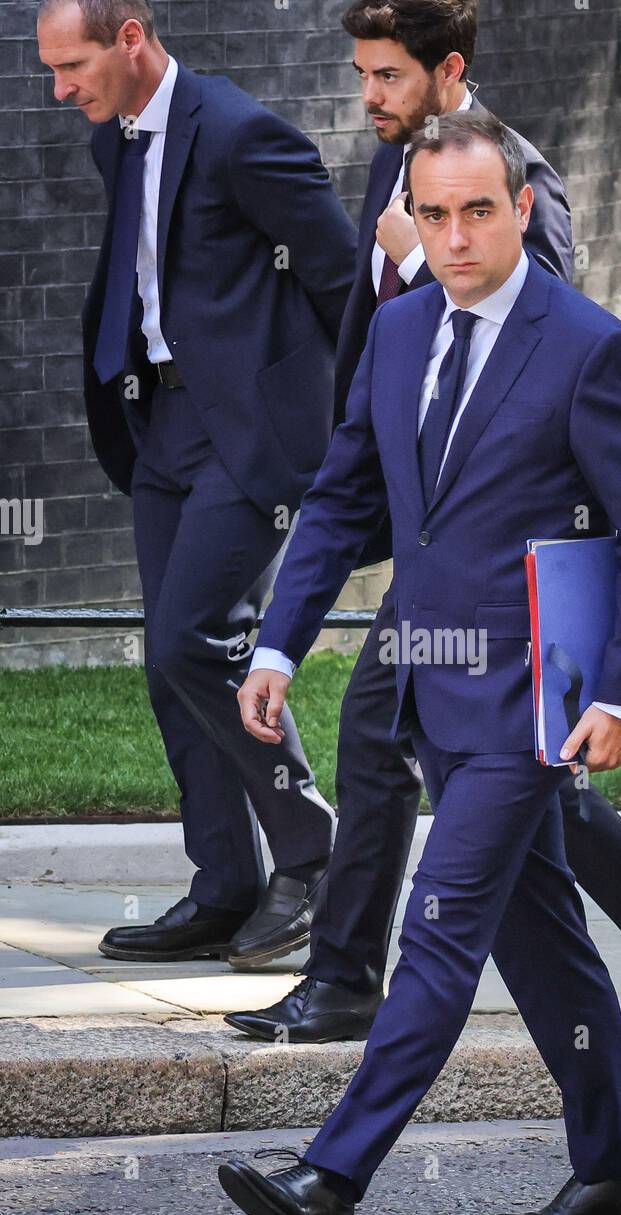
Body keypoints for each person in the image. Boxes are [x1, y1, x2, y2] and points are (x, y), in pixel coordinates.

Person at [219, 112, 621, 1215]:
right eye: (432, 215)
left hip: (533, 704)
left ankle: (332, 1179)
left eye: (479, 210)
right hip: (432, 697)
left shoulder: (587, 347)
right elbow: (343, 499)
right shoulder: (398, 331)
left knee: (435, 928)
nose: (456, 236)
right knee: (544, 944)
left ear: (521, 207)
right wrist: (277, 647)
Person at [226, 0, 621, 1035]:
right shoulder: (399, 162)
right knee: (475, 765)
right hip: (423, 515)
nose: (370, 95)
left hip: (507, 555)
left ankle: (350, 983)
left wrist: (417, 258)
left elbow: (536, 326)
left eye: (390, 76)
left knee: (432, 751)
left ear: (448, 71)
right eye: (362, 74)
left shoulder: (514, 174)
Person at [37, 0, 358, 963]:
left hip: (252, 435)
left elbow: (341, 281)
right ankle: (223, 886)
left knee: (195, 641)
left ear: (131, 37)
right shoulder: (116, 138)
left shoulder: (242, 134)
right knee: (168, 666)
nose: (60, 89)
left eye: (73, 65)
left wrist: (354, 429)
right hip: (164, 423)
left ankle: (315, 855)